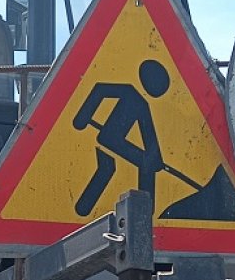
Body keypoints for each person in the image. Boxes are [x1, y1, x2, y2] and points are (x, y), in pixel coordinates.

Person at [71, 60, 171, 217]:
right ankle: (144, 210)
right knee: (138, 164)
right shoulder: (130, 93)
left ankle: (144, 210)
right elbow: (99, 90)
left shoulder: (142, 104)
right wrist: (81, 118)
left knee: (130, 166)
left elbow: (149, 136)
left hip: (112, 140)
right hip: (110, 138)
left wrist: (156, 159)